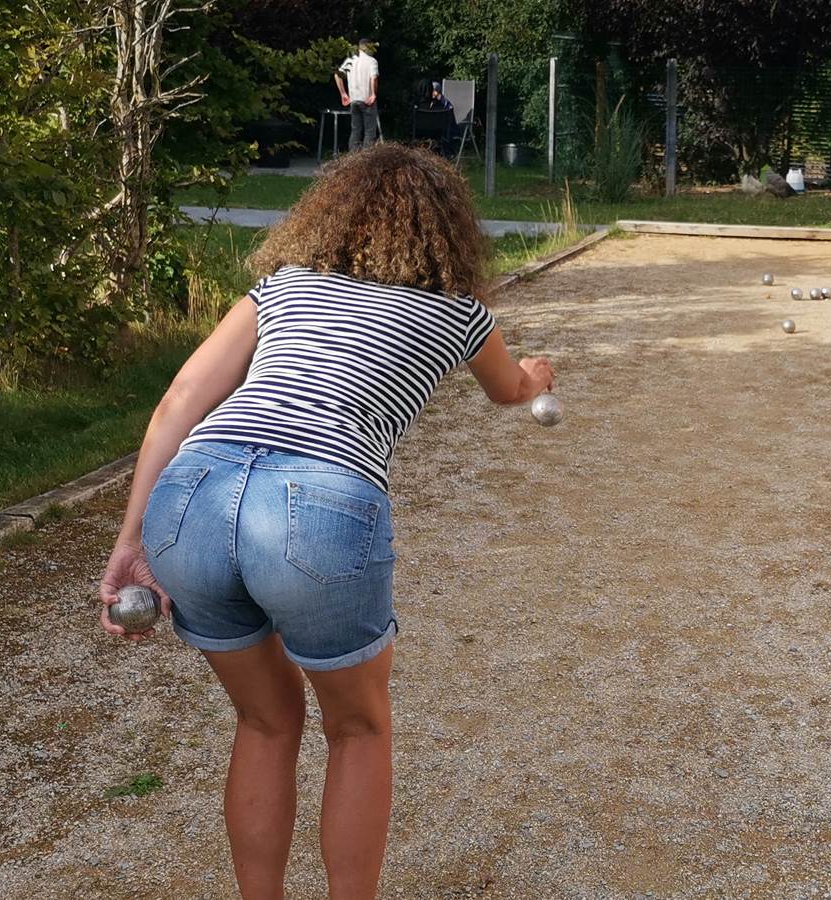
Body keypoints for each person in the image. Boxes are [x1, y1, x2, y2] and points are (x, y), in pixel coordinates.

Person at [98, 144, 554, 900]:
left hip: (194, 496)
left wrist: (129, 540)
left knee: (266, 721)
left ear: (332, 214)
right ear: (448, 232)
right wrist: (536, 373)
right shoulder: (460, 314)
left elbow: (180, 398)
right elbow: (510, 389)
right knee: (358, 729)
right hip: (319, 503)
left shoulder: (283, 287)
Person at [334, 39, 380, 153]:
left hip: (354, 100)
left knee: (355, 130)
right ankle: (366, 161)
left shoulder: (350, 60)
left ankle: (353, 161)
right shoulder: (372, 61)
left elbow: (337, 75)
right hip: (367, 100)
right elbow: (373, 78)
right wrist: (373, 94)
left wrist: (343, 93)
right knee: (369, 131)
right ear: (368, 47)